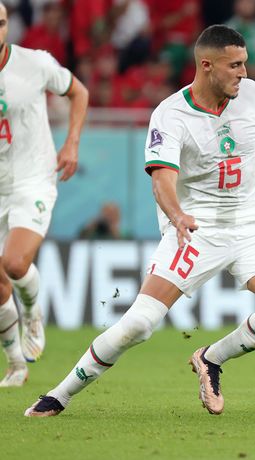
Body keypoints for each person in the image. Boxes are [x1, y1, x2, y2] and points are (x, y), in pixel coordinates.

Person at [24, 25, 255, 416]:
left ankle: (211, 359)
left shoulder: (253, 95)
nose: (243, 73)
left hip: (251, 224)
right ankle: (59, 394)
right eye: (235, 65)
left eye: (245, 64)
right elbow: (162, 181)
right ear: (206, 65)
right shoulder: (170, 115)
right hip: (196, 228)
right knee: (140, 324)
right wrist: (177, 216)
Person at [0, 2, 89, 387]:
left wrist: (71, 143)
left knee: (15, 264)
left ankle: (34, 310)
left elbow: (78, 92)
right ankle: (16, 363)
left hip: (33, 177)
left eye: (1, 23)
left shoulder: (34, 63)